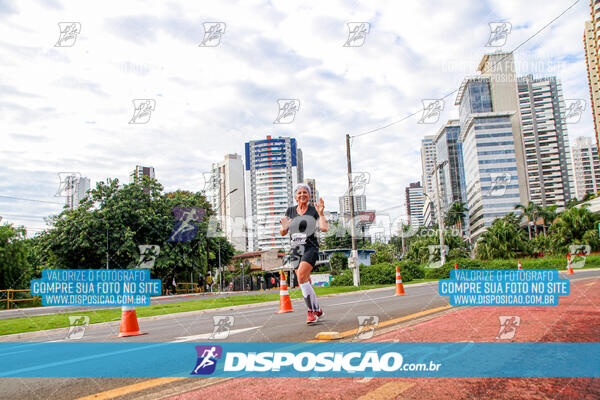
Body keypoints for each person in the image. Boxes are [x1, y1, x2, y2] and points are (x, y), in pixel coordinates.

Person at [280, 183, 328, 324]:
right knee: (304, 281)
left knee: (301, 276)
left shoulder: (313, 210)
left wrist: (321, 213)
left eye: (305, 193)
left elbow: (324, 228)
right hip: (295, 249)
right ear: (295, 197)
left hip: (310, 248)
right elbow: (283, 232)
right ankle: (317, 309)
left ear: (309, 196)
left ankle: (311, 312)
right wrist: (284, 228)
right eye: (299, 193)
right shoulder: (290, 211)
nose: (302, 195)